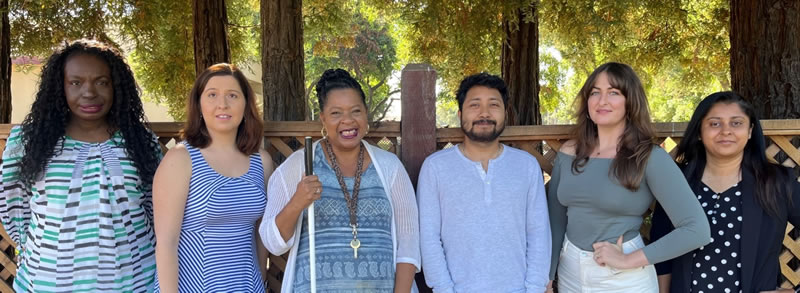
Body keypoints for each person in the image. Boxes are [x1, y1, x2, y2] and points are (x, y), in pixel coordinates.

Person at [0, 39, 161, 292]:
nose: (89, 92)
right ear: (59, 87)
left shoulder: (141, 141)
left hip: (136, 283)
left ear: (116, 86)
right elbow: (15, 211)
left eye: (102, 82)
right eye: (76, 82)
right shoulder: (26, 142)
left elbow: (155, 209)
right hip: (47, 283)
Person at [547, 62, 710, 292]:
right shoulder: (568, 153)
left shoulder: (649, 157)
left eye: (613, 92)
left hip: (622, 277)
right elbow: (556, 221)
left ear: (630, 102)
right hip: (570, 272)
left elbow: (697, 230)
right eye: (595, 92)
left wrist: (627, 260)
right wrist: (548, 274)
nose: (602, 101)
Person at [260, 69, 420, 292]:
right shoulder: (299, 166)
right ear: (323, 119)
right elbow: (273, 243)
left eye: (356, 111)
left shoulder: (390, 167)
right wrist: (297, 202)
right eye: (336, 113)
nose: (348, 120)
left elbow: (409, 245)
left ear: (366, 115)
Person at [650, 91, 800, 293]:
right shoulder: (677, 182)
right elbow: (662, 255)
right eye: (714, 123)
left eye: (736, 123)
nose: (726, 131)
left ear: (750, 130)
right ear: (699, 132)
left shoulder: (778, 183)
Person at [417, 73, 551, 292]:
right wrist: (444, 288)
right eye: (475, 105)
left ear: (505, 114)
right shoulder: (436, 168)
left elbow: (538, 233)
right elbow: (429, 237)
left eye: (494, 105)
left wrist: (534, 288)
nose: (484, 113)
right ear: (460, 114)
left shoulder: (526, 166)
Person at [153, 63, 272, 292]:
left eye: (232, 95)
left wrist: (262, 282)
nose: (222, 104)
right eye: (212, 95)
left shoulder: (262, 162)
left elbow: (260, 234)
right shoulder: (181, 159)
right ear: (198, 104)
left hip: (247, 286)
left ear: (246, 104)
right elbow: (166, 243)